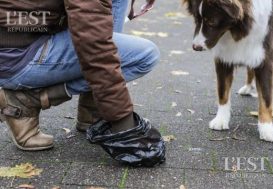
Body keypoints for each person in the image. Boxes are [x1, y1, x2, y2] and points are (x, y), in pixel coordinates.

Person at [0, 0, 166, 166]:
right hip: (17, 57)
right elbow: (96, 47)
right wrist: (124, 125)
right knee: (145, 56)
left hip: (18, 40)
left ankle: (92, 112)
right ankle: (29, 99)